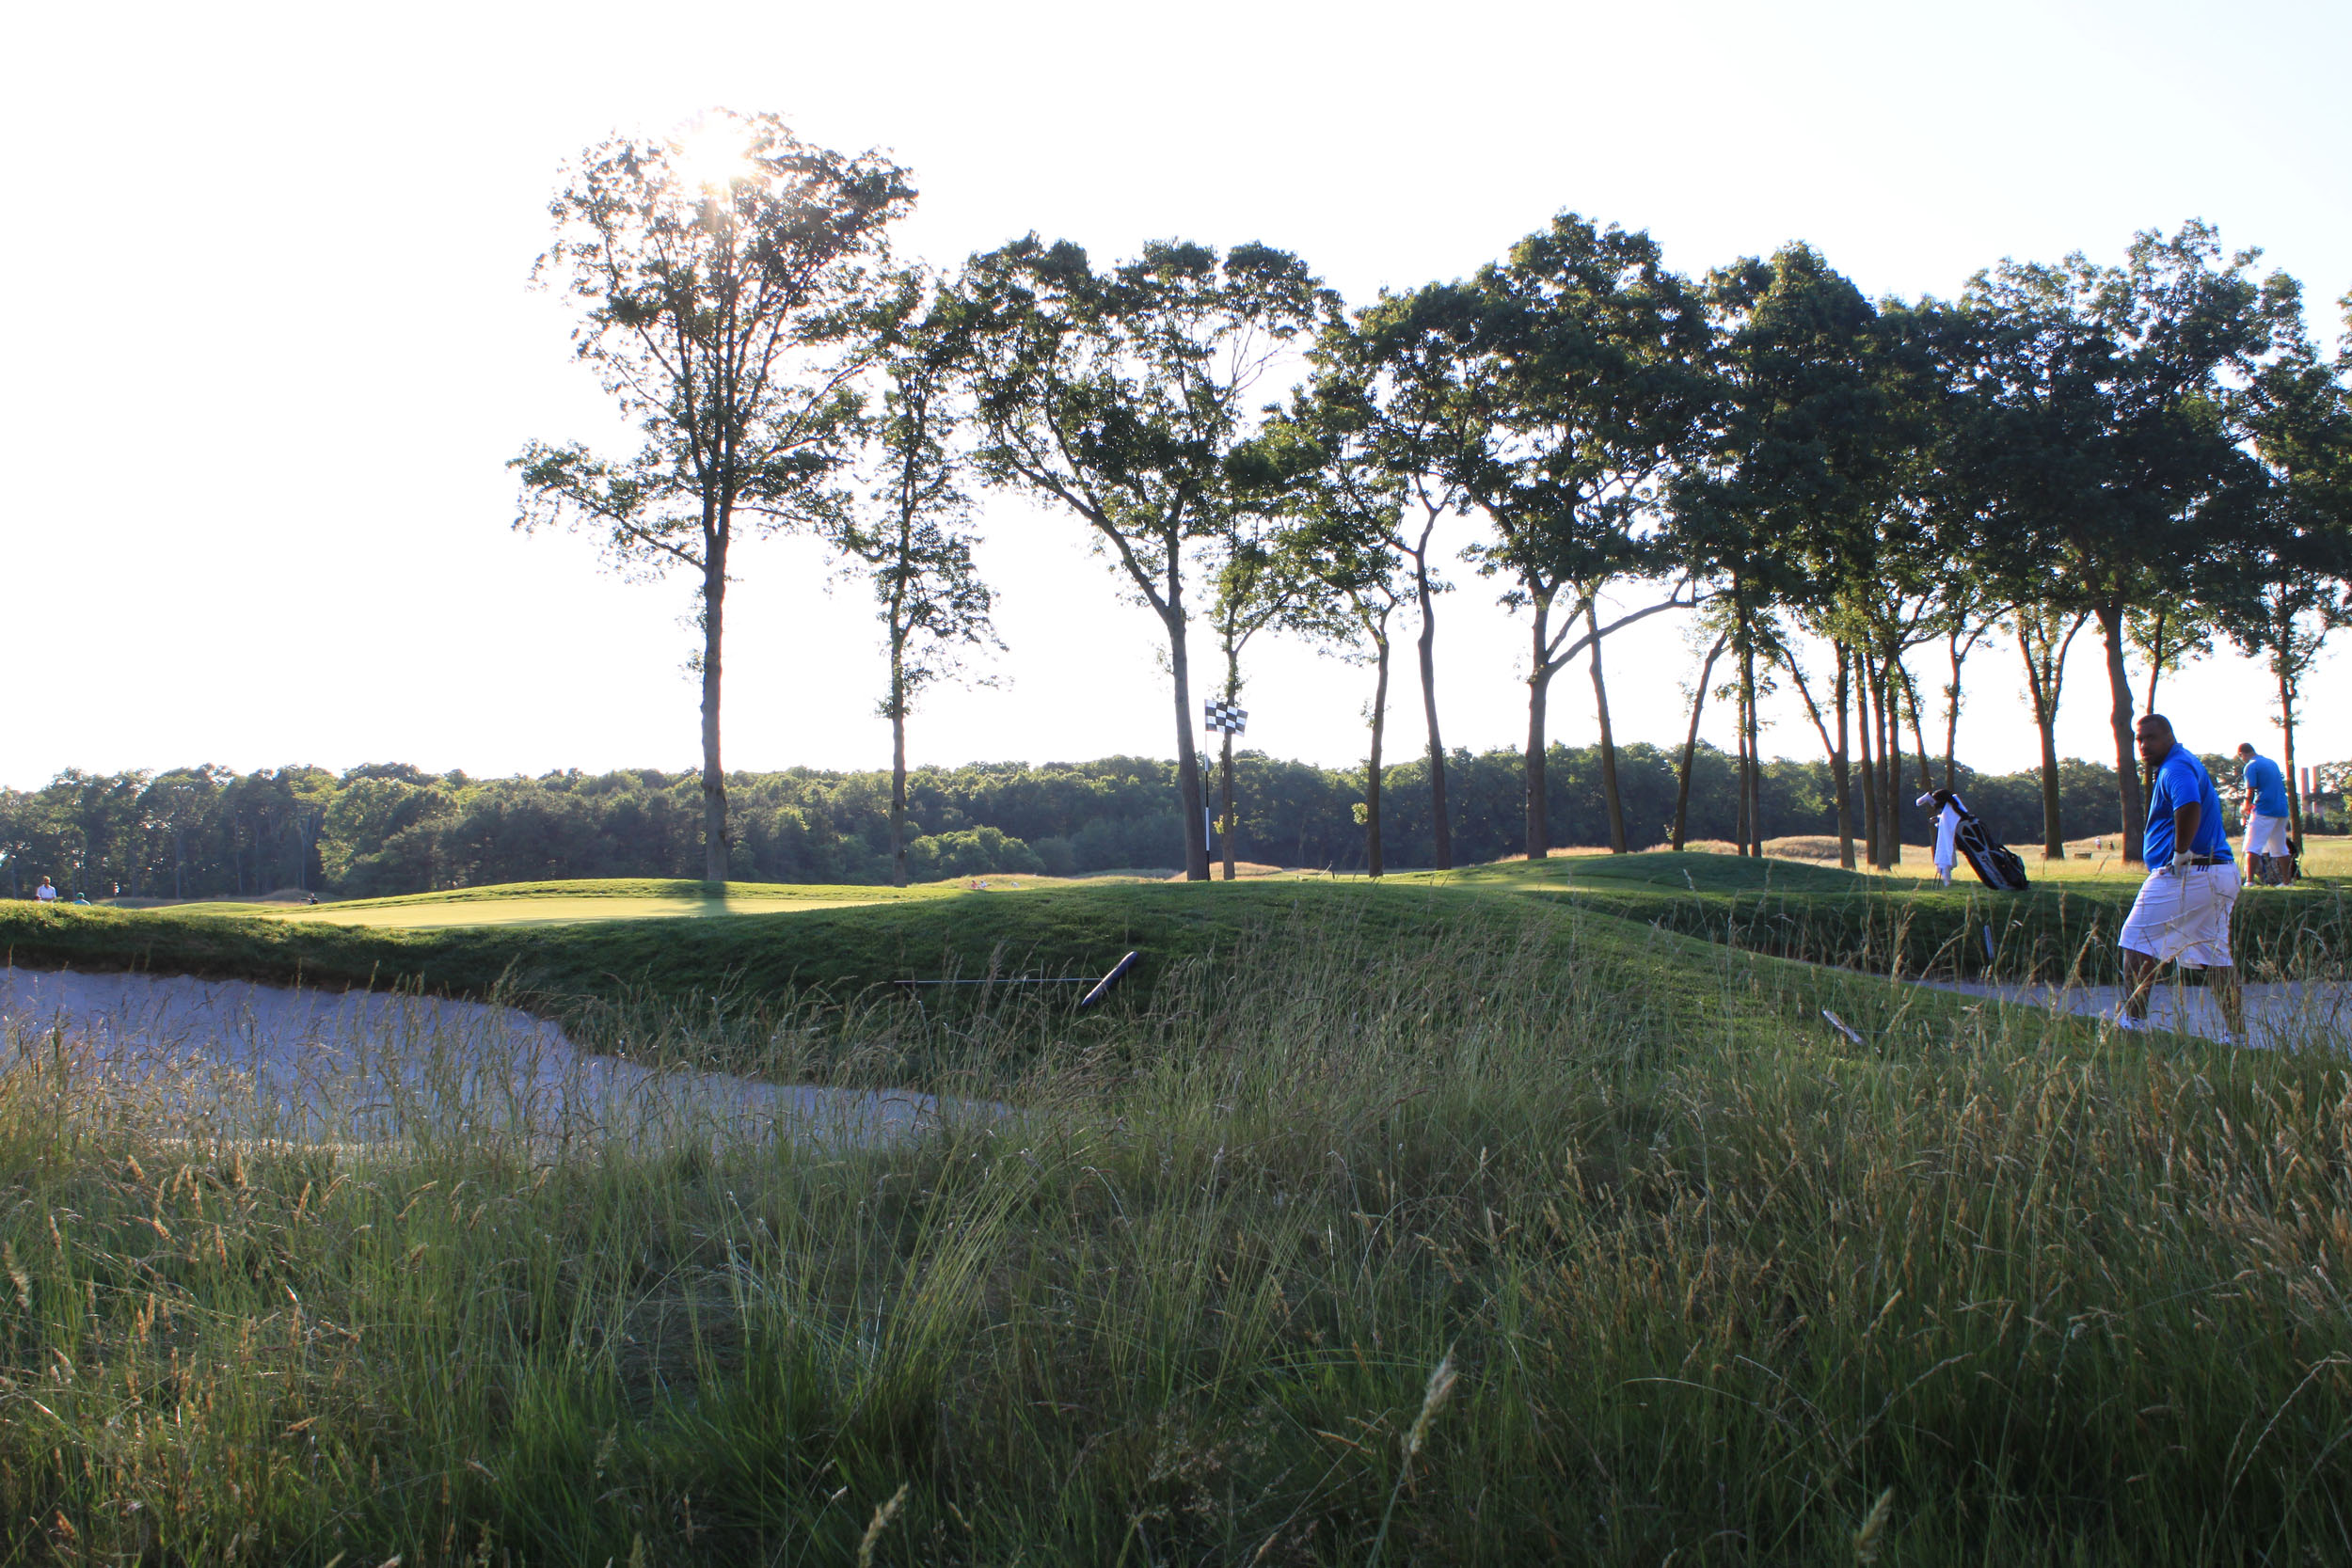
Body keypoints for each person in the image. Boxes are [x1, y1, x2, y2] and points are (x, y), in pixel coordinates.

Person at [2118, 713, 2245, 1039]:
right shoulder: (2184, 762)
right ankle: (2238, 1036)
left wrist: (2179, 851)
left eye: (2151, 738)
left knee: (2135, 940)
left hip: (2190, 872)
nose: (2144, 745)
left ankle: (2133, 1024)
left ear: (2169, 736)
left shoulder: (2175, 767)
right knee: (2214, 954)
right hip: (2218, 873)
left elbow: (2188, 804)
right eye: (2139, 739)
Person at [2235, 741, 2293, 884]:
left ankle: (2249, 881)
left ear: (2242, 754)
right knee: (2280, 848)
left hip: (2264, 809)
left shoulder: (2251, 766)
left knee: (2252, 845)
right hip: (2281, 810)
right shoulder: (2271, 763)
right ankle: (2287, 881)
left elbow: (2250, 790)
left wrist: (2245, 807)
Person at [1916, 790, 1961, 886]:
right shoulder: (1952, 806)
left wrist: (1939, 820)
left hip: (1949, 838)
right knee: (1947, 860)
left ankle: (1947, 882)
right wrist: (1939, 820)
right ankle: (1947, 883)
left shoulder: (1950, 807)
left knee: (1947, 860)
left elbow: (1949, 820)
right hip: (1950, 837)